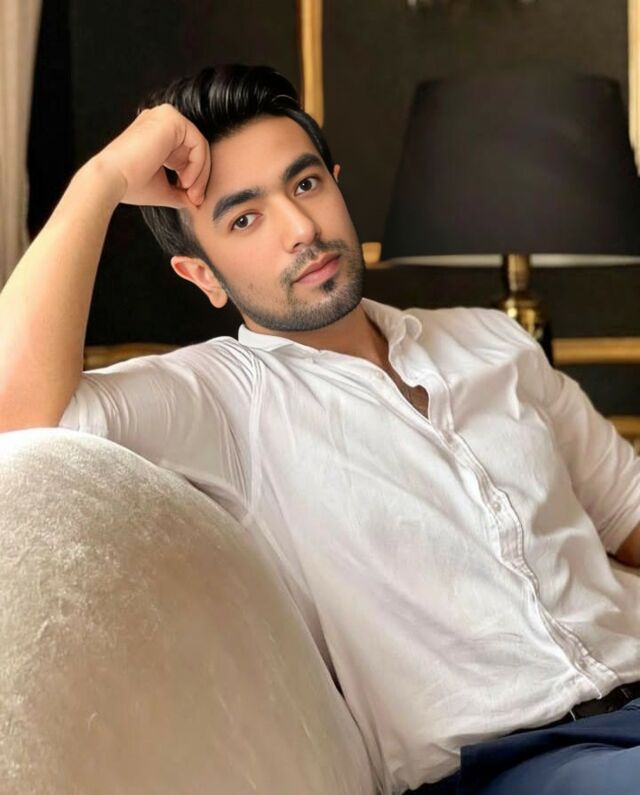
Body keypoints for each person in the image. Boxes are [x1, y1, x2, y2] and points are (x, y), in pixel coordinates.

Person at [0, 63, 639, 795]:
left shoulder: (495, 343)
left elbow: (628, 512)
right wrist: (104, 177)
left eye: (305, 185)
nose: (301, 229)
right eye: (245, 218)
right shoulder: (223, 403)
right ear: (202, 275)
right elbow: (13, 416)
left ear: (337, 185)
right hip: (511, 767)